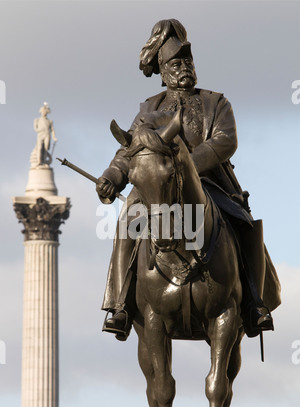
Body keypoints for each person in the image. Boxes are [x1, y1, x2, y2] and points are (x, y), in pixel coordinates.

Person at [96, 19, 281, 340]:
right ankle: (121, 303)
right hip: (155, 188)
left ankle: (254, 302)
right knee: (128, 221)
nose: (184, 68)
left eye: (187, 61)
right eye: (176, 63)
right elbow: (129, 150)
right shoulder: (148, 109)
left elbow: (225, 141)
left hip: (208, 184)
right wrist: (113, 175)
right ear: (163, 70)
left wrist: (187, 167)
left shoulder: (216, 103)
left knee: (246, 224)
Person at [31, 102, 57, 167]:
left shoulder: (49, 121)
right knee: (39, 148)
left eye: (45, 111)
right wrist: (40, 130)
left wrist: (54, 137)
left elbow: (52, 130)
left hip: (47, 134)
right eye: (43, 111)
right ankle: (39, 162)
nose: (44, 112)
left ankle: (44, 162)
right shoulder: (37, 120)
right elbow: (35, 128)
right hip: (40, 134)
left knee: (45, 149)